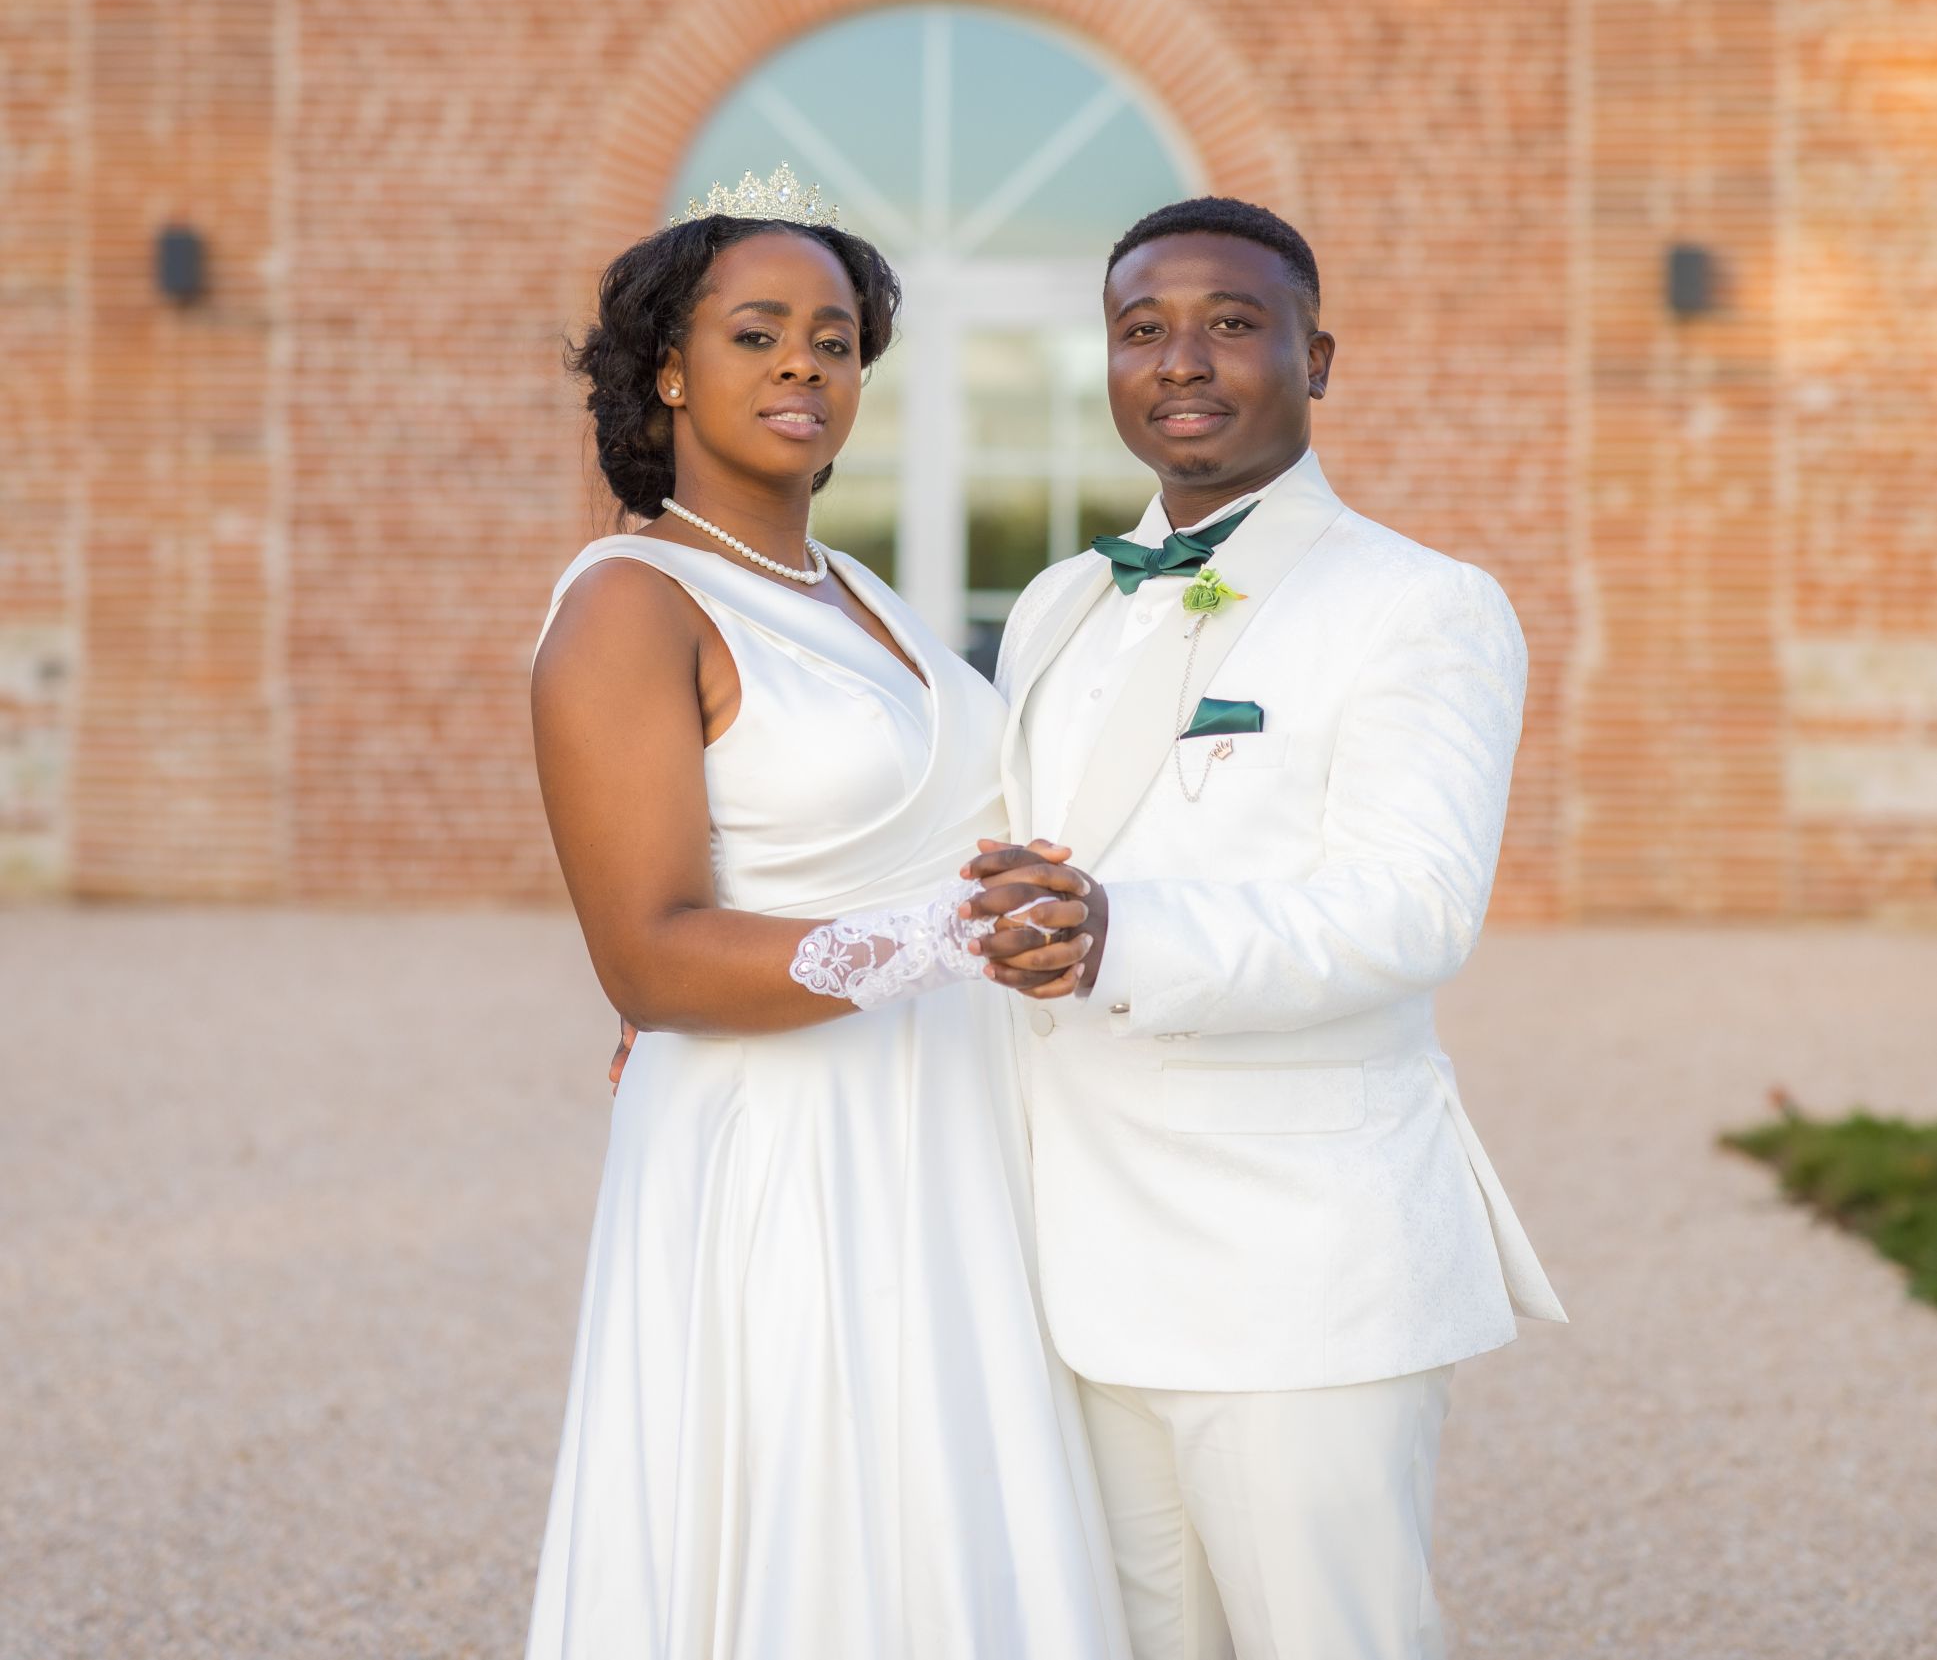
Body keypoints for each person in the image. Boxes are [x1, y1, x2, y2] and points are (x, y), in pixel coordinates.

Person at [524, 169, 1129, 1659]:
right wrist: (954, 938)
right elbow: (648, 953)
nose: (804, 362)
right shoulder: (629, 602)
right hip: (784, 1142)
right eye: (757, 333)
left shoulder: (856, 588)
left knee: (949, 1505)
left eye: (836, 339)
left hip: (950, 1118)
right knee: (817, 1502)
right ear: (668, 368)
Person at [966, 197, 1567, 1660]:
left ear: (1319, 358)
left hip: (1299, 1270)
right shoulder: (1053, 603)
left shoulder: (1420, 604)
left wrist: (1122, 936)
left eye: (1231, 323)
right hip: (1070, 1261)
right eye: (1141, 329)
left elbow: (1412, 908)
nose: (1181, 359)